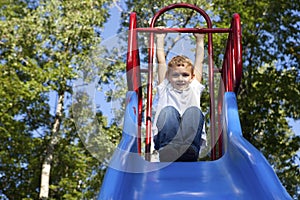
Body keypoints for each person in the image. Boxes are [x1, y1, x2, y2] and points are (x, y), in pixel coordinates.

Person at [152, 30, 206, 162]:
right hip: (167, 140)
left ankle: (189, 148)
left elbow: (199, 61)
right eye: (175, 75)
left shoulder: (194, 87)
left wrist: (200, 40)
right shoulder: (166, 87)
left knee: (194, 112)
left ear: (192, 77)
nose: (180, 78)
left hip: (189, 140)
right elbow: (161, 62)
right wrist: (159, 38)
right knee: (169, 111)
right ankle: (168, 148)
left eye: (185, 75)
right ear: (168, 77)